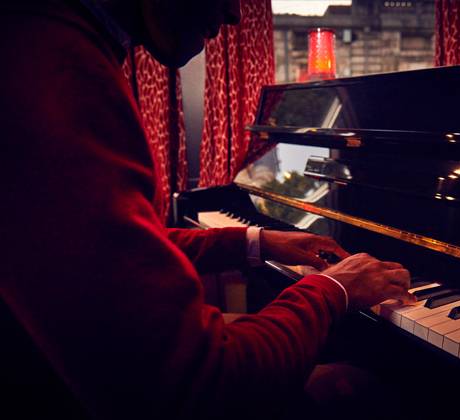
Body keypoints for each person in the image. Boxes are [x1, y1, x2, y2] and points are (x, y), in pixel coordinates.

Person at [0, 0, 413, 418]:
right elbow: (207, 384)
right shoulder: (57, 72)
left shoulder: (55, 38)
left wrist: (257, 239)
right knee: (363, 388)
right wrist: (333, 290)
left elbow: (114, 252)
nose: (235, 14)